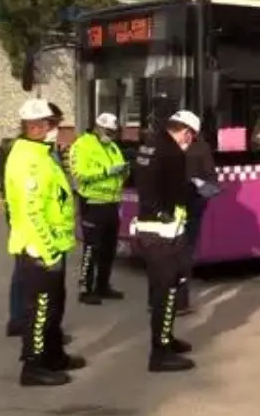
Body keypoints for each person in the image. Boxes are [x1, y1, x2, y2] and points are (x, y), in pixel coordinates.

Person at [4, 98, 85, 387]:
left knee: (54, 305)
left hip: (53, 244)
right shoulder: (28, 159)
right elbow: (32, 210)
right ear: (35, 127)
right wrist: (47, 250)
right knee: (39, 310)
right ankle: (33, 365)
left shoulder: (40, 152)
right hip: (38, 247)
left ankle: (53, 355)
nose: (55, 130)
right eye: (52, 125)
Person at [132, 109, 201, 373]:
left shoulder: (149, 145)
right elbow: (177, 192)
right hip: (163, 233)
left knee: (166, 288)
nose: (190, 143)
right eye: (192, 137)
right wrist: (195, 190)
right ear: (186, 132)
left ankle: (166, 338)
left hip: (150, 228)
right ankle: (160, 353)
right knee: (166, 291)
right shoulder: (172, 153)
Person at [69, 113, 129, 305]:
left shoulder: (112, 147)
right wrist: (106, 172)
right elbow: (80, 173)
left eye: (113, 133)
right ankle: (85, 289)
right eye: (107, 132)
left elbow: (121, 170)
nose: (110, 136)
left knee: (109, 249)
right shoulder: (82, 145)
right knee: (91, 249)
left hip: (112, 203)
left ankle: (103, 286)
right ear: (98, 128)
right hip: (93, 203)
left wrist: (124, 171)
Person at [176, 124, 217, 315]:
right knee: (167, 256)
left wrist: (199, 193)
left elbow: (211, 182)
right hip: (170, 212)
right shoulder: (166, 146)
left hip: (191, 208)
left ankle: (180, 302)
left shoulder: (201, 148)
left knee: (184, 254)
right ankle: (160, 301)